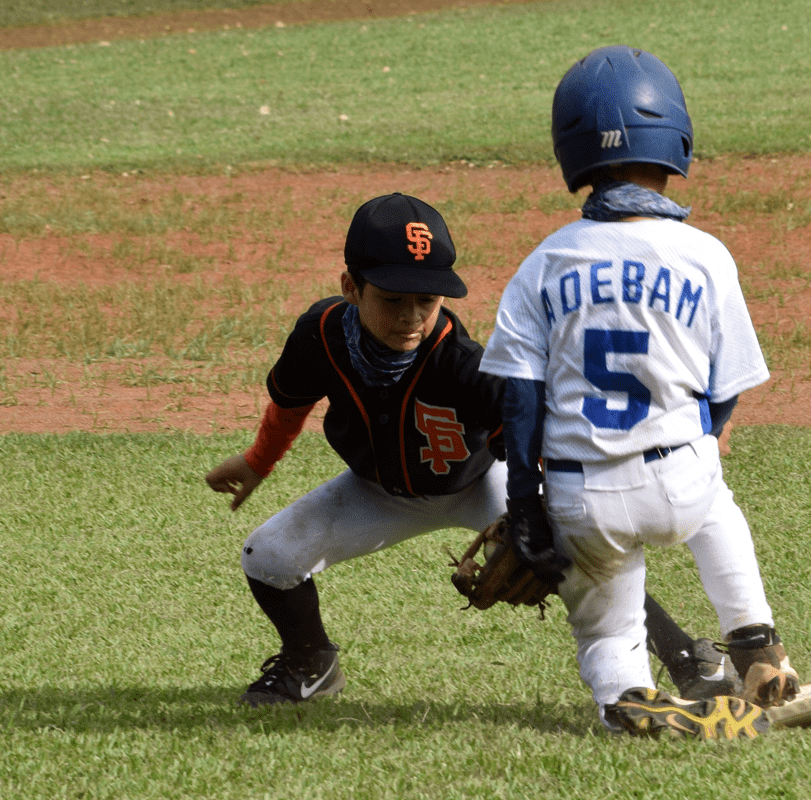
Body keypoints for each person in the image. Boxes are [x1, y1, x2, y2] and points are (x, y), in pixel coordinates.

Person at [204, 192, 734, 708]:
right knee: (267, 556)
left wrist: (541, 514)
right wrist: (257, 462)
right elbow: (289, 404)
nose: (412, 315)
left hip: (483, 483)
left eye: (427, 300)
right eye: (393, 299)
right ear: (350, 287)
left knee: (582, 551)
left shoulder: (466, 364)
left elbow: (527, 443)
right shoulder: (318, 335)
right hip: (376, 493)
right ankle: (310, 663)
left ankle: (689, 658)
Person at [479, 46, 800, 740]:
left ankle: (625, 693)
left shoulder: (544, 263)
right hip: (678, 473)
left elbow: (521, 401)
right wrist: (700, 439)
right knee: (715, 504)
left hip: (582, 494)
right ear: (678, 139)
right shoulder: (707, 256)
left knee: (608, 626)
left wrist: (528, 507)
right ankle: (753, 640)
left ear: (572, 153)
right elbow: (727, 389)